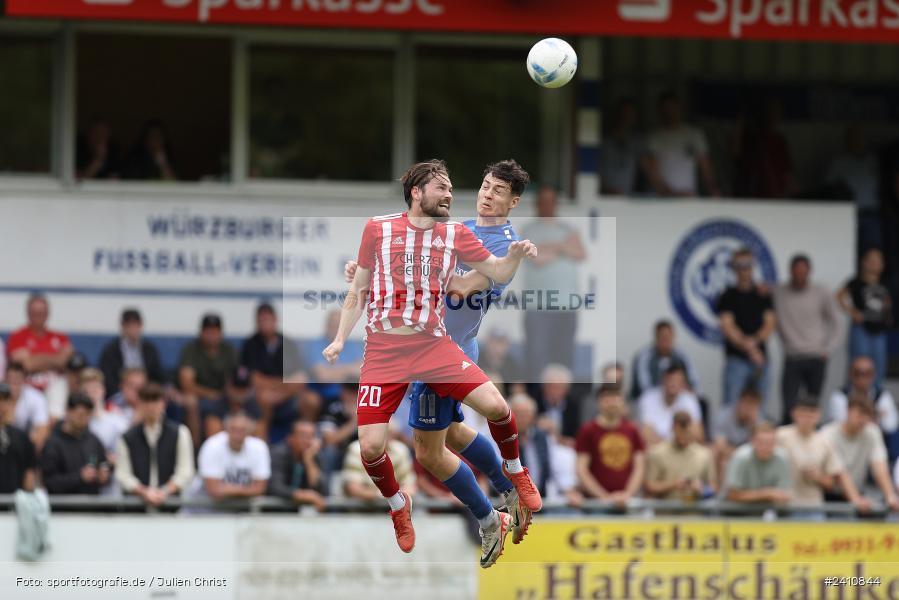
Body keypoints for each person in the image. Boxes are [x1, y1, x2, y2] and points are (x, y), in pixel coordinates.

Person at [322, 159, 541, 563]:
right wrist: (373, 273)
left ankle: (497, 502)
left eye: (498, 191)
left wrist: (381, 276)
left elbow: (457, 288)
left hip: (444, 347)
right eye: (485, 186)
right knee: (450, 436)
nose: (486, 195)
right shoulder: (455, 228)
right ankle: (503, 492)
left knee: (429, 451)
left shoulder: (499, 241)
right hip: (410, 347)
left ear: (514, 202)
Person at [519, 185, 586, 375]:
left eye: (551, 200)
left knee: (564, 357)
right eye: (543, 201)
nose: (547, 205)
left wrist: (549, 248)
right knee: (536, 357)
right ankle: (537, 401)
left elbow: (580, 253)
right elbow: (537, 259)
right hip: (537, 307)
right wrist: (563, 247)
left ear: (556, 203)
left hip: (567, 306)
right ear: (537, 204)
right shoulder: (528, 230)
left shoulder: (567, 228)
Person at [772, 254, 840, 420]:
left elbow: (836, 323)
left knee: (812, 406)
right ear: (790, 272)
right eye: (796, 272)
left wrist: (828, 349)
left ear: (809, 272)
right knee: (789, 406)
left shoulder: (821, 292)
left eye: (803, 272)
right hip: (793, 357)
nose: (800, 275)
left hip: (816, 356)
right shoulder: (779, 292)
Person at [777, 396, 870, 512]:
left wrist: (817, 477)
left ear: (818, 416)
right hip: (783, 506)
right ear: (794, 414)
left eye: (811, 415)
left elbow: (834, 480)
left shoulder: (824, 442)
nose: (807, 419)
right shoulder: (779, 436)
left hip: (813, 506)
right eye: (803, 415)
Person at [241, 303, 316, 442]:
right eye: (261, 320)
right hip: (263, 395)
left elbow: (300, 377)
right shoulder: (250, 344)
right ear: (256, 322)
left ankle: (305, 441)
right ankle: (263, 442)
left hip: (288, 395)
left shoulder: (288, 343)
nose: (265, 324)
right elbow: (255, 379)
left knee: (311, 400)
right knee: (264, 398)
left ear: (275, 320)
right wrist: (283, 383)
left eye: (268, 320)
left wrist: (281, 392)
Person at [116, 383, 195, 507]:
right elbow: (123, 475)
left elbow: (185, 471)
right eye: (147, 401)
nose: (151, 406)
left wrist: (164, 492)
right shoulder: (127, 438)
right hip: (136, 511)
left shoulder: (180, 433)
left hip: (171, 509)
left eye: (155, 401)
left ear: (163, 403)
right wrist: (144, 492)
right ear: (140, 404)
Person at [716, 247, 776, 407]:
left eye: (747, 264)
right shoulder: (727, 296)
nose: (744, 269)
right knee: (731, 405)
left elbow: (769, 324)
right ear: (733, 268)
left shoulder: (763, 294)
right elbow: (727, 326)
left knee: (760, 408)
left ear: (753, 266)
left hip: (761, 359)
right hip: (737, 359)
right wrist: (749, 348)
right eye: (739, 265)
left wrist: (755, 343)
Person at [820, 395, 899, 510]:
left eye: (868, 416)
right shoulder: (827, 434)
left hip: (857, 494)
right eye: (860, 414)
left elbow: (879, 467)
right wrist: (856, 500)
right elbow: (839, 472)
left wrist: (890, 496)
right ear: (848, 411)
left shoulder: (872, 431)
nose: (863, 420)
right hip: (828, 496)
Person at [575, 384, 645, 507]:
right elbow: (582, 469)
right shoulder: (588, 430)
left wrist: (627, 495)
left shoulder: (632, 430)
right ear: (599, 402)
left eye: (616, 398)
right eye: (607, 398)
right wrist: (604, 498)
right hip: (596, 505)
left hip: (627, 503)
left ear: (623, 401)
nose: (612, 403)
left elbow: (639, 467)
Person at [6, 294, 74, 417]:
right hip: (27, 388)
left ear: (47, 314)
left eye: (41, 312)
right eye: (35, 312)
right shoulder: (18, 336)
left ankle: (56, 427)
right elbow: (26, 365)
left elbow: (65, 361)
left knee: (60, 386)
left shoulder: (59, 337)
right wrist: (54, 358)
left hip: (53, 387)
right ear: (28, 313)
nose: (38, 316)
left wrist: (34, 357)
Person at [642, 91, 719, 197]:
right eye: (665, 109)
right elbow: (652, 171)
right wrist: (671, 194)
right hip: (661, 200)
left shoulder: (694, 134)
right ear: (660, 110)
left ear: (679, 108)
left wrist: (713, 190)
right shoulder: (653, 138)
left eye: (672, 108)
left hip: (689, 198)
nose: (669, 113)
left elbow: (705, 166)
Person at [511, 394, 582, 508]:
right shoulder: (500, 438)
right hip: (511, 501)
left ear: (533, 417)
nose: (523, 418)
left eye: (527, 414)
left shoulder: (543, 438)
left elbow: (555, 467)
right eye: (518, 414)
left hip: (540, 499)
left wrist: (568, 490)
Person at [178, 314, 239, 443]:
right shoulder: (192, 350)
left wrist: (229, 394)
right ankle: (194, 449)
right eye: (208, 331)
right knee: (191, 401)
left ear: (221, 333)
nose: (211, 335)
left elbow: (236, 379)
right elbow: (186, 383)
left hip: (224, 398)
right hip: (200, 398)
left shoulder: (228, 351)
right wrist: (210, 394)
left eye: (215, 331)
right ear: (201, 332)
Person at [836, 248, 893, 385]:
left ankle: (875, 399)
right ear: (864, 263)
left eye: (878, 261)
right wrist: (852, 312)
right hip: (861, 329)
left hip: (879, 330)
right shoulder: (856, 282)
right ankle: (854, 399)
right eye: (872, 260)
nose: (875, 264)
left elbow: (887, 302)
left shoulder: (885, 283)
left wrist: (887, 313)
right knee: (859, 365)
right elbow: (839, 296)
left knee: (878, 366)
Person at [188, 412, 270, 502]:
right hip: (203, 507)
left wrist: (227, 489)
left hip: (239, 508)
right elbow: (213, 490)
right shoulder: (212, 445)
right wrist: (247, 490)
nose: (237, 435)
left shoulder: (259, 447)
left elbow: (260, 489)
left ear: (249, 432)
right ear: (226, 430)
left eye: (242, 430)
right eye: (234, 429)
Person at [41, 394, 110, 495]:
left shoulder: (93, 440)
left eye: (88, 415)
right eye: (80, 415)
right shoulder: (53, 443)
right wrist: (79, 477)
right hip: (65, 507)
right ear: (68, 412)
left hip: (93, 506)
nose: (84, 419)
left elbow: (103, 463)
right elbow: (50, 481)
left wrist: (103, 473)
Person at [827, 124, 881, 252]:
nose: (857, 142)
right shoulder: (839, 162)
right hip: (848, 213)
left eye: (860, 138)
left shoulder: (872, 161)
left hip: (872, 212)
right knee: (849, 250)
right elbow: (828, 189)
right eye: (853, 138)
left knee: (872, 250)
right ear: (847, 141)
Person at [644, 411, 716, 501]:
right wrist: (672, 485)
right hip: (665, 512)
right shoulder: (657, 453)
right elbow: (649, 487)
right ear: (673, 428)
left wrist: (702, 489)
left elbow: (713, 487)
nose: (683, 436)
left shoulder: (704, 455)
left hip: (694, 513)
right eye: (680, 431)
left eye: (686, 431)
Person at [731, 98, 794, 199]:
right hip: (751, 198)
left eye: (776, 112)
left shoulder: (779, 141)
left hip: (776, 197)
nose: (773, 116)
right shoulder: (750, 140)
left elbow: (787, 175)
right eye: (770, 112)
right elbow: (736, 153)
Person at [99, 308, 164, 398]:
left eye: (135, 325)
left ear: (141, 326)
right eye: (129, 325)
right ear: (123, 326)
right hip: (119, 394)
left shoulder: (150, 350)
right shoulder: (111, 351)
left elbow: (157, 376)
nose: (132, 329)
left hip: (146, 395)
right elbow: (108, 377)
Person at [307, 310, 363, 410]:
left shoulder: (352, 346)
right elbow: (323, 377)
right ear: (326, 326)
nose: (336, 329)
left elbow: (361, 372)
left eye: (339, 325)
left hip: (352, 396)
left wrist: (334, 370)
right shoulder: (315, 346)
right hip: (325, 397)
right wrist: (350, 370)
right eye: (332, 325)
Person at [724, 422, 792, 505]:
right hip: (736, 512)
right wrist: (766, 494)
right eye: (761, 442)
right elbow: (731, 495)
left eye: (770, 443)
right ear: (752, 441)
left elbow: (784, 494)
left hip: (771, 511)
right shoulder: (741, 457)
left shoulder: (782, 458)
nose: (766, 447)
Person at [630, 319, 700, 399]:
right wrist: (667, 392)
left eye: (668, 337)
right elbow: (644, 386)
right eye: (663, 337)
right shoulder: (644, 356)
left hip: (675, 396)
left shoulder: (682, 356)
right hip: (648, 398)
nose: (666, 340)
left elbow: (694, 381)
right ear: (656, 338)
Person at [637, 365, 703, 445]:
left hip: (683, 448)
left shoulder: (690, 400)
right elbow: (645, 434)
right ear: (663, 380)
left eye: (677, 381)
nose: (673, 384)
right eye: (670, 380)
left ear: (684, 384)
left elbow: (698, 435)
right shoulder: (648, 398)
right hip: (657, 450)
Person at [268, 420, 327, 511]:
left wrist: (309, 461)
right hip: (273, 511)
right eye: (303, 436)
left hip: (301, 515)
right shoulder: (278, 454)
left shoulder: (315, 456)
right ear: (290, 438)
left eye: (311, 437)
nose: (307, 441)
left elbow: (322, 491)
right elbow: (275, 487)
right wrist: (302, 495)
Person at [342, 434, 416, 502]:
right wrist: (383, 495)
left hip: (393, 508)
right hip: (360, 510)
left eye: (388, 432)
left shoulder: (401, 450)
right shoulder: (356, 449)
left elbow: (410, 487)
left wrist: (388, 496)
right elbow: (353, 489)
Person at [713, 387, 765, 477]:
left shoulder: (758, 420)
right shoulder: (723, 415)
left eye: (752, 406)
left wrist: (753, 426)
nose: (748, 409)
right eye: (746, 403)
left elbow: (760, 447)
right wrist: (740, 455)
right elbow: (720, 446)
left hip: (747, 456)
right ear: (739, 402)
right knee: (717, 455)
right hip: (728, 455)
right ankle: (719, 490)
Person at [600, 97, 644, 196]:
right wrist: (607, 189)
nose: (626, 117)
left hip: (628, 198)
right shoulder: (605, 142)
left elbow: (647, 166)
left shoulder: (637, 142)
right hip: (606, 197)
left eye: (630, 114)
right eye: (624, 113)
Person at [3, 362, 50, 453]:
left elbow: (42, 429)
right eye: (10, 381)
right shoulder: (1, 396)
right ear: (5, 380)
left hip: (25, 446)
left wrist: (23, 446)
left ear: (24, 381)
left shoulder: (36, 397)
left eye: (17, 381)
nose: (13, 385)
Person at [0, 382, 37, 493]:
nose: (1, 406)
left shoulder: (22, 437)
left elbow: (29, 474)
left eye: (5, 400)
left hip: (14, 505)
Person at [533, 364, 584, 444]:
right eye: (551, 387)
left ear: (567, 389)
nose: (555, 392)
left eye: (560, 387)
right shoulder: (534, 403)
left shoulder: (573, 406)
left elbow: (576, 435)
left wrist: (559, 437)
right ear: (543, 387)